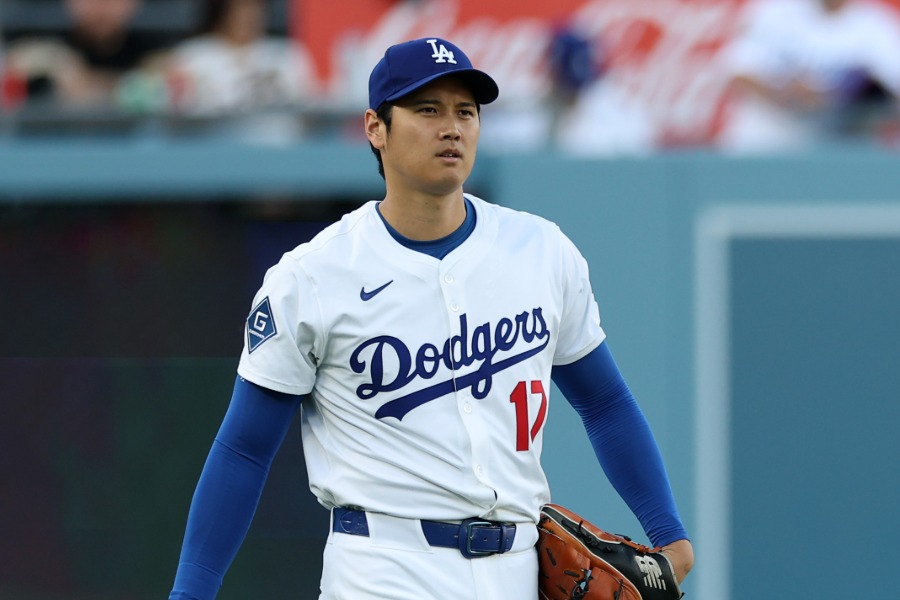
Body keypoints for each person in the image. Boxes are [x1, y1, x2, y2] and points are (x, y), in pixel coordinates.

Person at [168, 37, 694, 599]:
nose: (452, 127)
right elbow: (245, 449)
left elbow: (604, 402)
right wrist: (190, 593)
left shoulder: (541, 251)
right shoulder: (314, 275)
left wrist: (669, 534)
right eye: (427, 109)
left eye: (465, 111)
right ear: (376, 127)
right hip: (382, 565)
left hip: (516, 567)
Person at [716, 0, 900, 153]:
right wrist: (785, 94)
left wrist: (836, 97)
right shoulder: (775, 11)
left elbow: (891, 94)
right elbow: (739, 71)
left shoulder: (877, 23)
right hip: (765, 145)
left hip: (837, 149)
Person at [165, 0, 318, 141]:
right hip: (218, 151)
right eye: (240, 9)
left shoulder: (287, 53)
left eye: (255, 9)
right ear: (221, 12)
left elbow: (309, 110)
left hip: (284, 152)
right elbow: (178, 119)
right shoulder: (193, 55)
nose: (248, 16)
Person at [3, 0, 170, 108]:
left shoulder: (160, 37)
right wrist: (58, 62)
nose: (100, 6)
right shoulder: (37, 31)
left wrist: (88, 83)